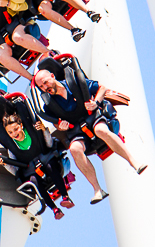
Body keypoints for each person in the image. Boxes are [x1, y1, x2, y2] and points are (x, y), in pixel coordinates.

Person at [33, 57, 147, 204]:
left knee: (100, 130)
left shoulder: (73, 83)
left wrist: (95, 102)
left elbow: (102, 88)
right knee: (74, 148)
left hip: (93, 118)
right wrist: (60, 126)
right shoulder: (49, 105)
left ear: (52, 76)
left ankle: (133, 161)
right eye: (41, 87)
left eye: (45, 82)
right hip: (77, 130)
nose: (45, 87)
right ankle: (97, 189)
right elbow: (55, 123)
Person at [0, 95, 73, 219]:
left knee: (50, 166)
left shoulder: (32, 130)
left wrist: (44, 130)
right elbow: (15, 169)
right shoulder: (12, 147)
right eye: (10, 133)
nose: (14, 134)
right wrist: (4, 163)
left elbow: (48, 143)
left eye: (16, 129)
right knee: (33, 181)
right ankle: (54, 209)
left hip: (46, 157)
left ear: (21, 126)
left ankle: (65, 197)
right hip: (30, 168)